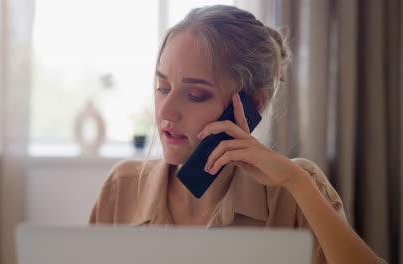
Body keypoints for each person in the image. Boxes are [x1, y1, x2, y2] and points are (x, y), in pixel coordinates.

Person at [90, 5, 384, 264]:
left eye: (195, 95)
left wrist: (297, 182)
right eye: (163, 88)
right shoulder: (122, 188)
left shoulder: (296, 190)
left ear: (253, 104)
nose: (166, 112)